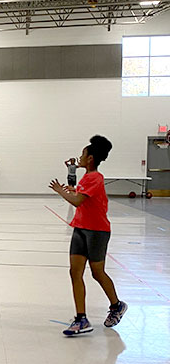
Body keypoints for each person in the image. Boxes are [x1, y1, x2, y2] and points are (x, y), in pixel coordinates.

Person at [49, 135, 127, 336]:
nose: (80, 157)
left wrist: (61, 191)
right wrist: (74, 190)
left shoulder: (95, 177)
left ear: (91, 158)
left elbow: (77, 202)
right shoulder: (87, 178)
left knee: (97, 272)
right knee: (75, 272)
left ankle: (116, 305)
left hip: (97, 231)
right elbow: (82, 198)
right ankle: (81, 319)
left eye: (83, 154)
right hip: (80, 228)